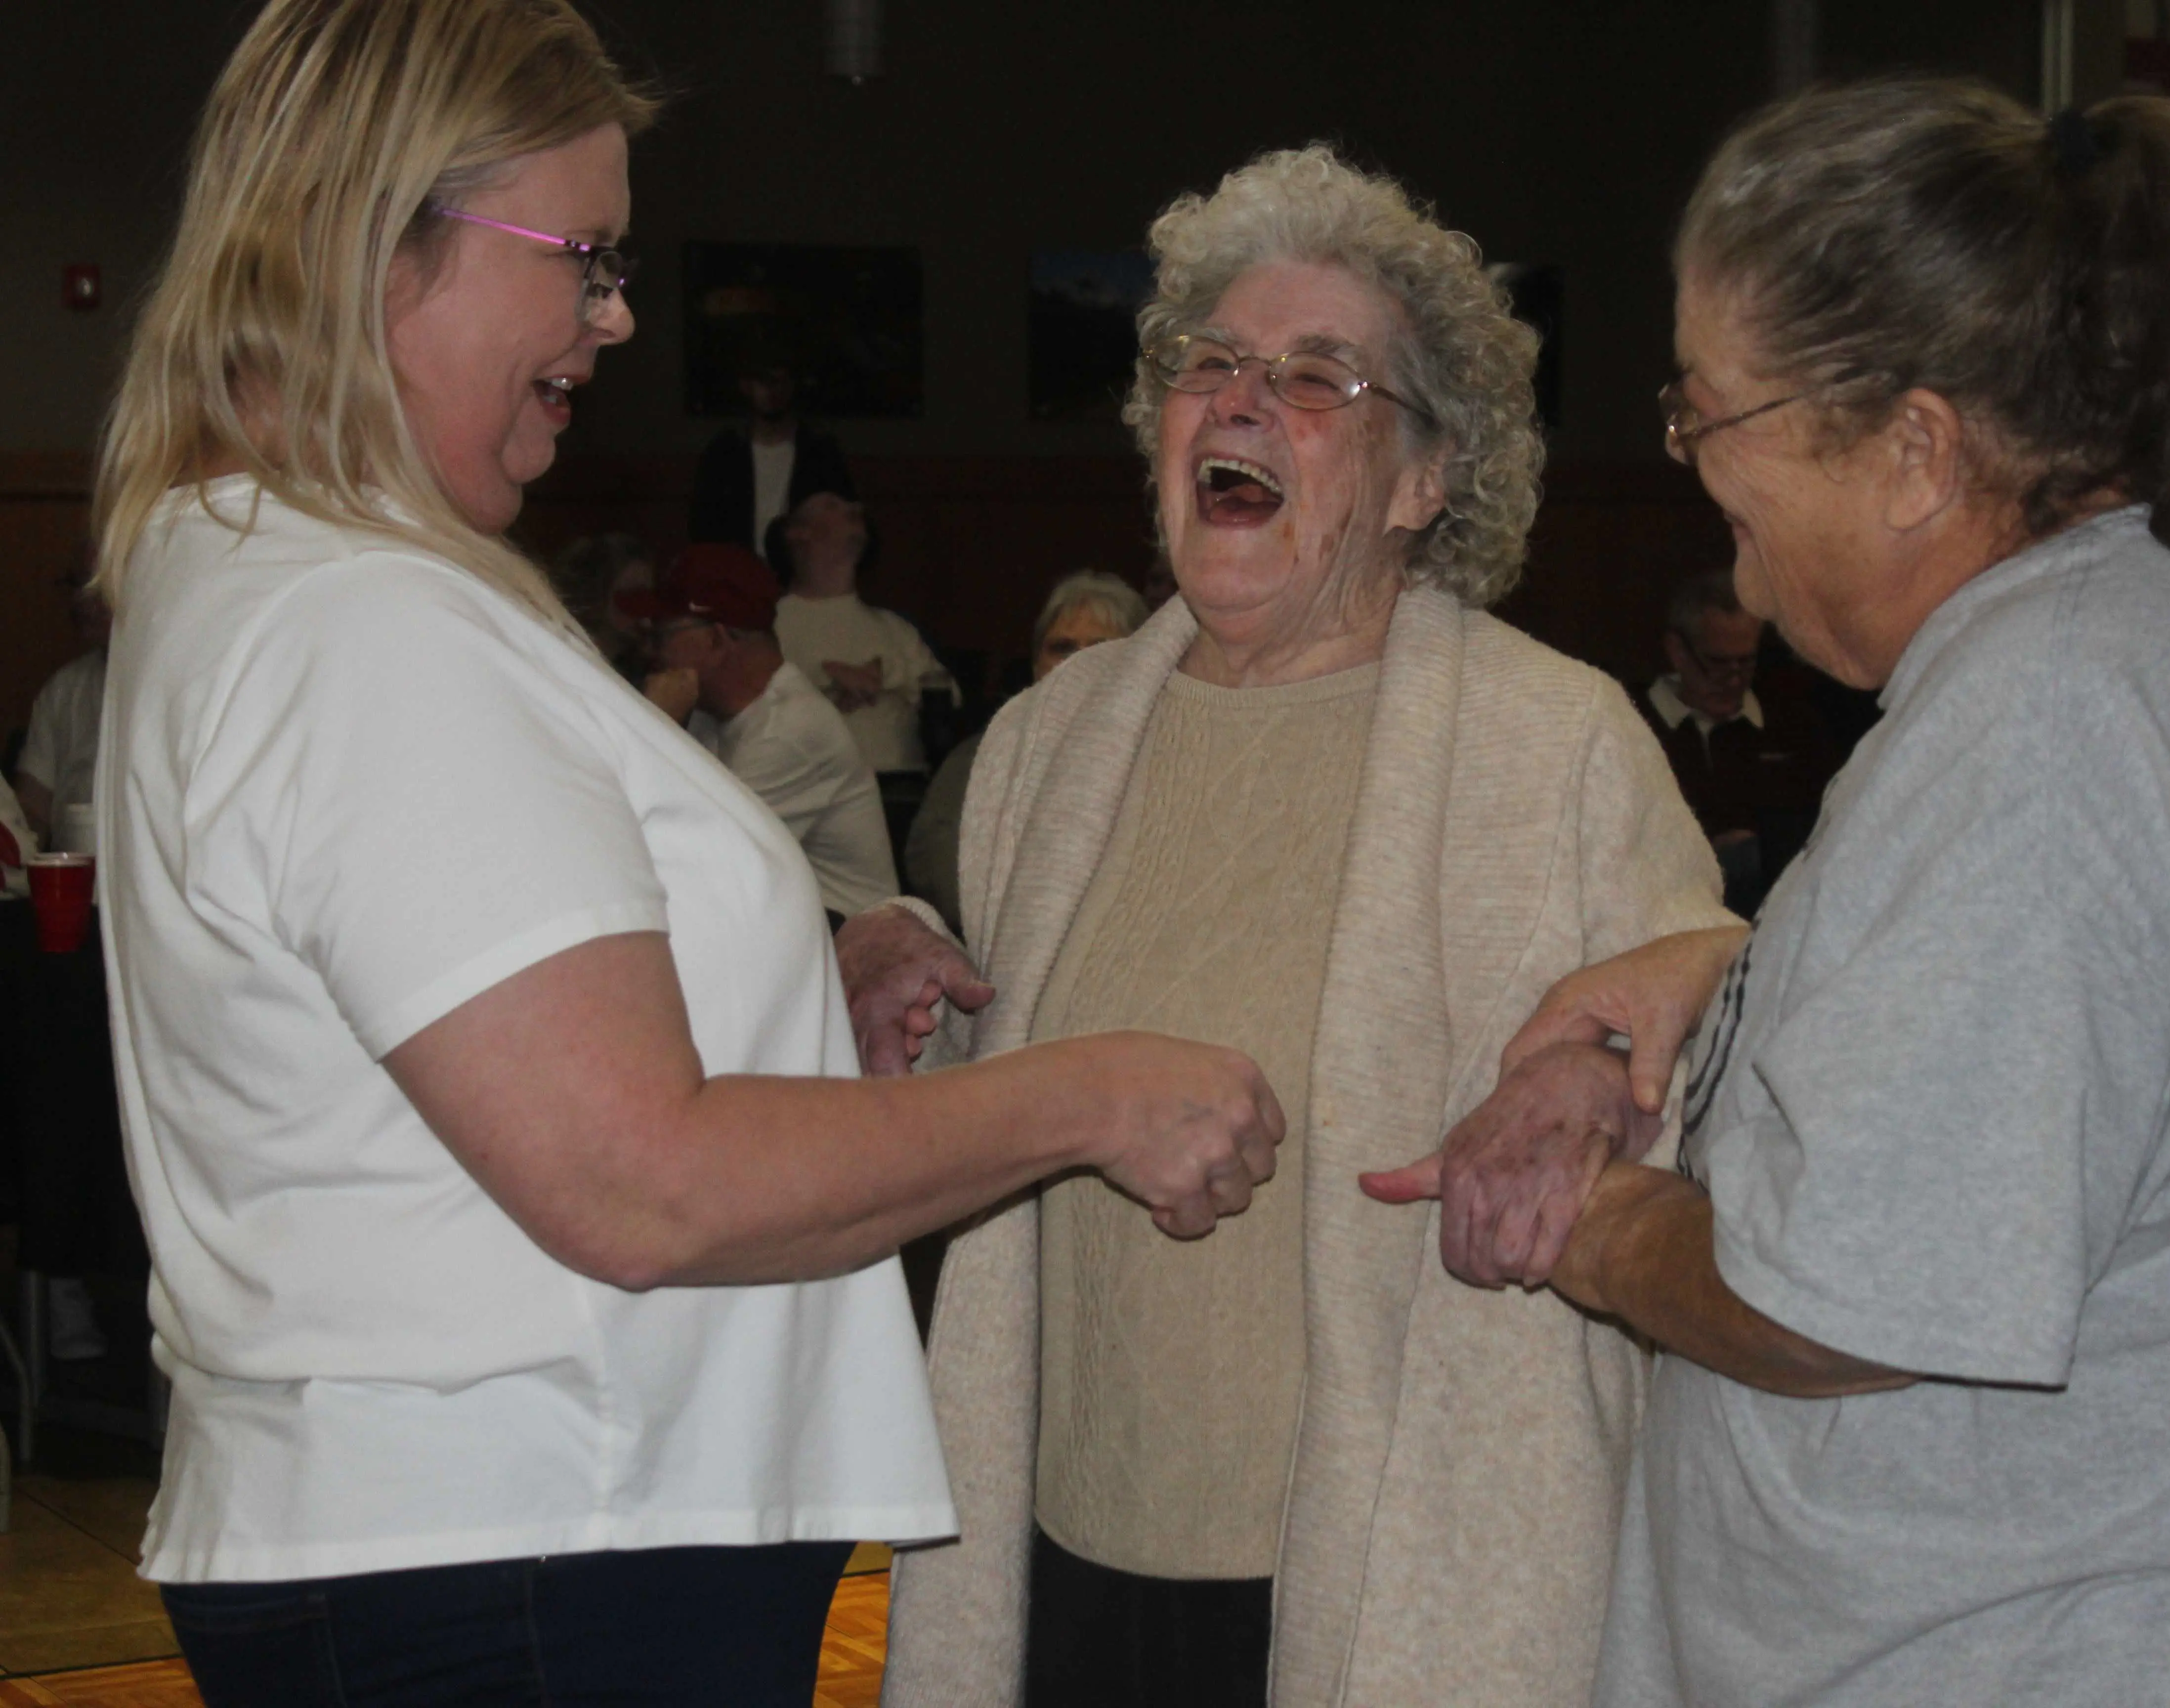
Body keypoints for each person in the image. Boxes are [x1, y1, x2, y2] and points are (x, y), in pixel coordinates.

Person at [85, 2, 1282, 1701]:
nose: (616, 314)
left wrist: (792, 984)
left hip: (497, 1552)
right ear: (376, 233)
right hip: (523, 1556)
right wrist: (1089, 1096)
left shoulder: (277, 567)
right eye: (580, 256)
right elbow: (635, 1179)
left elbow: (467, 1049)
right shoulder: (363, 624)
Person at [1394, 82, 2170, 1705]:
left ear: (1916, 449)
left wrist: (1599, 1228)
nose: (1729, 559)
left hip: (2114, 1642)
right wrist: (1725, 971)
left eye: (1716, 429)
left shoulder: (2051, 708)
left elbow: (1849, 1298)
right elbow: (2125, 1051)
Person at [881, 145, 1737, 1708]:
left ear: (1424, 481)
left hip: (1393, 1582)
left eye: (1320, 377)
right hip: (1068, 1552)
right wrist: (876, 945)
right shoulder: (1046, 745)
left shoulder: (1557, 742)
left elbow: (1729, 1002)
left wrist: (1628, 1032)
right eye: (1211, 364)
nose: (1242, 399)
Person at [633, 543, 900, 923]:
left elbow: (687, 866)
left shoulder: (788, 731)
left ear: (717, 639)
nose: (649, 651)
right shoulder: (713, 715)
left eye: (662, 635)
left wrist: (651, 726)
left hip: (852, 958)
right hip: (796, 937)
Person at [904, 569, 1148, 932]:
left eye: (1100, 649)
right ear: (1037, 665)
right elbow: (943, 876)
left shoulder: (1171, 753)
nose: (1076, 664)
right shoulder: (981, 757)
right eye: (1062, 648)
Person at [1631, 566, 1839, 915]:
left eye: (1746, 663)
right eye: (1718, 663)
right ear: (1678, 651)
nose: (1733, 680)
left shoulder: (1795, 726)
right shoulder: (1636, 725)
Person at [774, 482, 950, 781]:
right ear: (797, 532)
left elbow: (947, 695)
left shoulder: (895, 628)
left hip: (902, 788)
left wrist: (880, 675)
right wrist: (827, 679)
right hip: (807, 788)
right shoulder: (770, 624)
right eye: (832, 505)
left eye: (853, 506)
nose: (855, 510)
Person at [687, 358, 853, 559]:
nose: (773, 390)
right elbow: (704, 525)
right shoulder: (725, 453)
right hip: (739, 575)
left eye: (782, 381)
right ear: (747, 386)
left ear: (793, 385)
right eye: (764, 380)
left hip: (804, 573)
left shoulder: (819, 452)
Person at [14, 566, 111, 849]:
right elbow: (32, 808)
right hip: (73, 879)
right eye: (75, 584)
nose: (82, 600)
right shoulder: (64, 688)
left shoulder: (173, 684)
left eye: (96, 586)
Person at [550, 529, 655, 683]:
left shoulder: (643, 672)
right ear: (595, 596)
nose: (645, 618)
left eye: (647, 598)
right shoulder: (565, 660)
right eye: (632, 597)